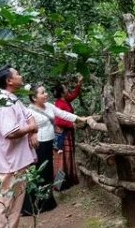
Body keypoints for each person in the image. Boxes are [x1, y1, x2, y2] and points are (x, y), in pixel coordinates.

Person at [21, 84, 90, 216]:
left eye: (45, 91)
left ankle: (46, 202)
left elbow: (63, 114)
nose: (46, 94)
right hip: (38, 146)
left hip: (48, 144)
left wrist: (80, 118)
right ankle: (30, 206)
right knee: (38, 174)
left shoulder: (50, 106)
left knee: (47, 173)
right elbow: (24, 126)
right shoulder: (28, 111)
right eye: (42, 93)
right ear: (34, 98)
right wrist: (31, 135)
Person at [0, 65, 38, 228]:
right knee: (6, 202)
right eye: (17, 74)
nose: (21, 76)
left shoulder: (13, 99)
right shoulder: (3, 104)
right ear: (9, 80)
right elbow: (10, 132)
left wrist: (33, 130)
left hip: (18, 161)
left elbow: (30, 116)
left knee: (17, 203)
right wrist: (31, 129)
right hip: (10, 163)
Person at [52, 74, 85, 190]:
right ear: (62, 93)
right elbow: (59, 121)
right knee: (62, 159)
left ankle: (68, 179)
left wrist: (79, 84)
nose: (67, 90)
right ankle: (58, 184)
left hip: (67, 133)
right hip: (63, 135)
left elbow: (74, 95)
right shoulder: (59, 104)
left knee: (68, 157)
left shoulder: (65, 100)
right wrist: (72, 124)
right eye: (65, 89)